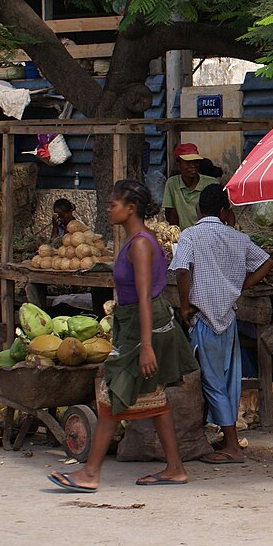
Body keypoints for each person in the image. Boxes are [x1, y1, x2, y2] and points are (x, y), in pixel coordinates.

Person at [47, 180, 199, 492]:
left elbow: (144, 297)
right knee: (154, 397)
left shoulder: (141, 244)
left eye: (114, 203)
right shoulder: (135, 241)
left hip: (145, 326)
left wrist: (145, 346)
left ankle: (90, 472)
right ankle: (175, 468)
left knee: (112, 393)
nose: (108, 207)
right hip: (136, 323)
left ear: (130, 209)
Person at [170, 184, 273, 464]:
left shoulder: (190, 235)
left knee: (211, 383)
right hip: (227, 319)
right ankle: (224, 438)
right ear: (224, 211)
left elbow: (181, 270)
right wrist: (241, 286)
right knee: (227, 382)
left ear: (198, 209)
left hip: (203, 319)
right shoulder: (237, 237)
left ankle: (231, 446)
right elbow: (266, 262)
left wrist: (182, 306)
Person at [162, 143, 220, 229]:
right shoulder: (172, 183)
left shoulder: (211, 183)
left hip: (209, 233)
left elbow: (226, 212)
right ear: (178, 165)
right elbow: (172, 214)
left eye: (196, 162)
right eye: (188, 162)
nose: (193, 166)